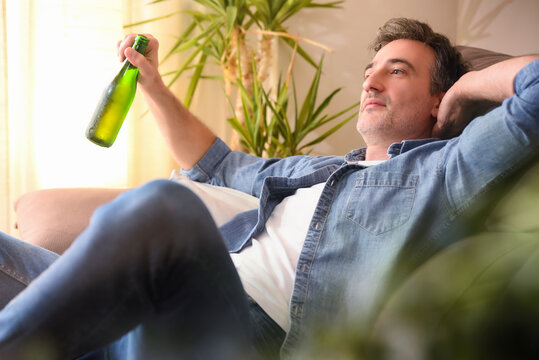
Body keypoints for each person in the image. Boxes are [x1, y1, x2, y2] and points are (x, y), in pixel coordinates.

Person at [0, 17, 538, 359]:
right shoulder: (316, 171)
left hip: (235, 333)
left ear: (435, 99)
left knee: (167, 206)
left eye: (396, 72)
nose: (370, 82)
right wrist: (152, 83)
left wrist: (465, 88)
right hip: (141, 319)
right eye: (370, 69)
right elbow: (215, 163)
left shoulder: (446, 172)